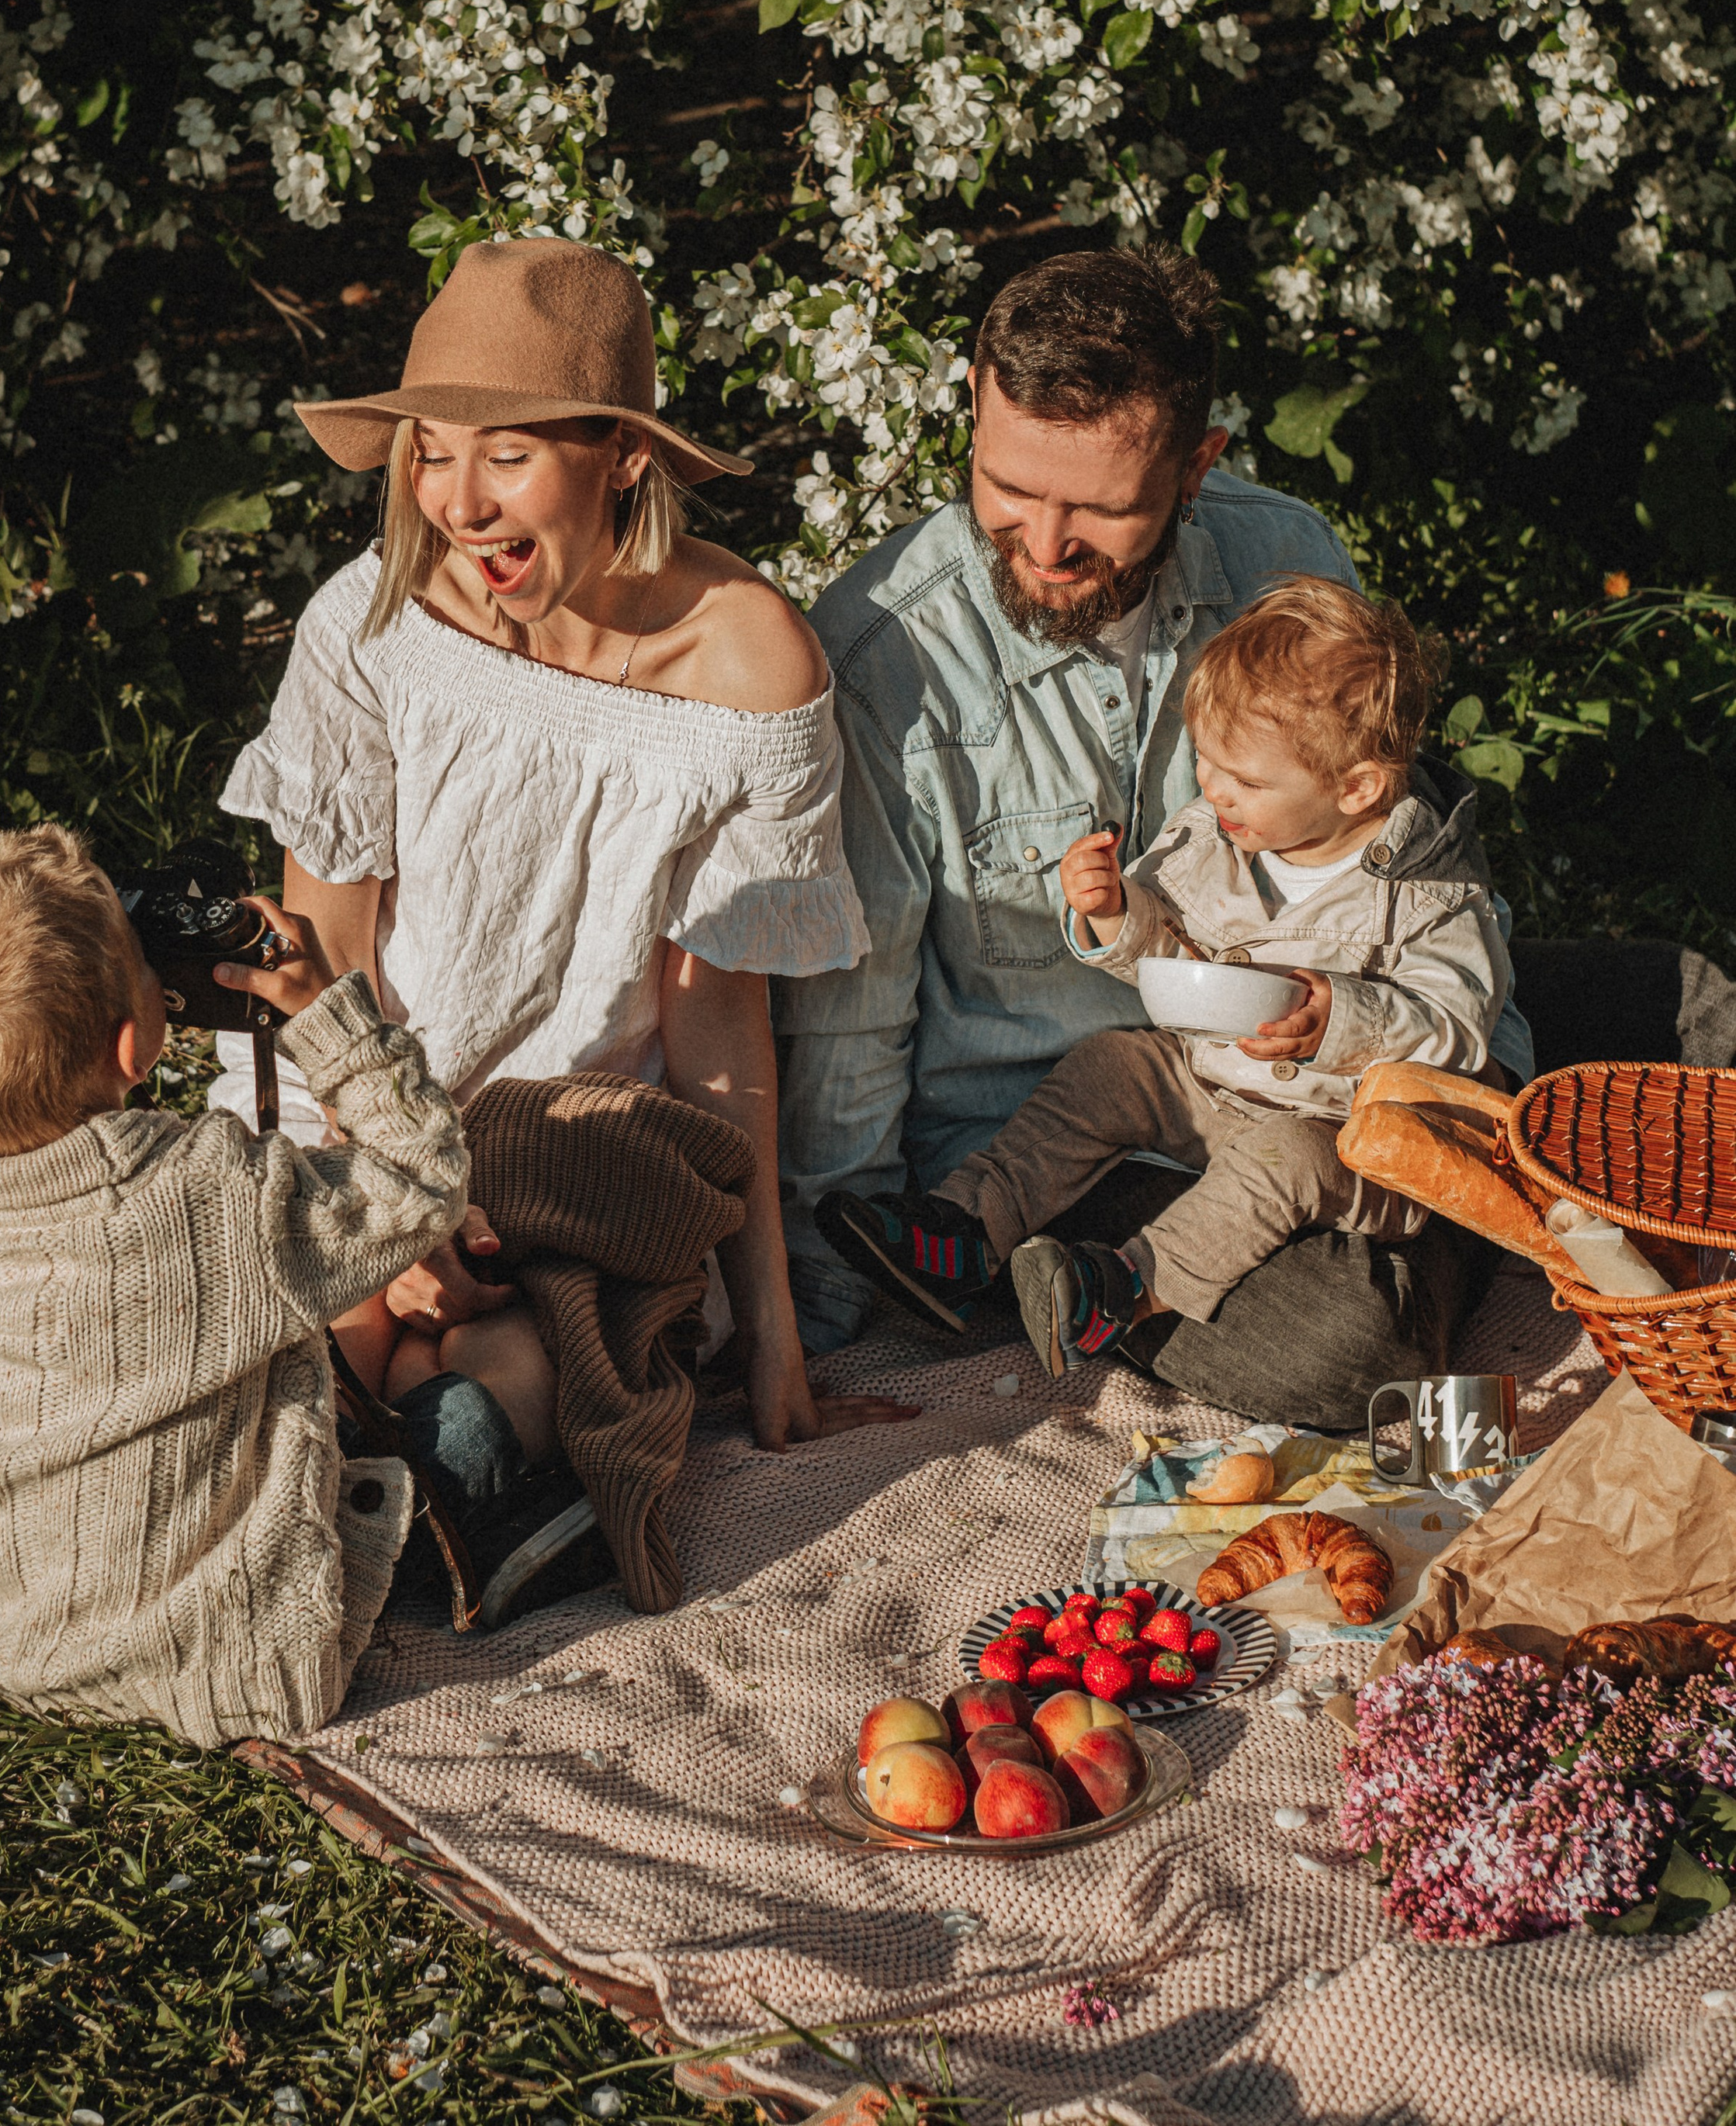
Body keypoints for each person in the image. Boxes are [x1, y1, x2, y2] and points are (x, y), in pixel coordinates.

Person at [775, 244, 1533, 1411]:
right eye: (1010, 489)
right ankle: (1435, 1239)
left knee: (1686, 1003)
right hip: (1077, 1134)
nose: (1043, 543)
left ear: (1197, 467)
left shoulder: (1289, 560)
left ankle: (1466, 1203)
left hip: (1336, 1069)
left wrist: (1457, 1082)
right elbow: (851, 1013)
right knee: (1352, 1348)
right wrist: (825, 1312)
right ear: (974, 405)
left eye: (1103, 508)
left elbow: (1406, 866)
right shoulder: (885, 659)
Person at [216, 237, 911, 1454]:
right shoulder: (373, 625)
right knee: (318, 1376)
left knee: (494, 1411)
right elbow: (326, 965)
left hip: (579, 1157)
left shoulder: (752, 668)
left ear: (625, 453)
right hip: (359, 1119)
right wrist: (396, 1214)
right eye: (429, 453)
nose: (460, 502)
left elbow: (717, 1021)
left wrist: (773, 1341)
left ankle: (456, 1448)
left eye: (510, 453)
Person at [0, 822, 556, 1747]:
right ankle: (456, 1453)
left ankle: (396, 1370)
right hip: (226, 1647)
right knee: (513, 1367)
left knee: (337, 1305)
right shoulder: (210, 1196)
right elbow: (424, 1175)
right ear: (132, 1048)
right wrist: (328, 1016)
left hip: (13, 1628)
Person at [819, 577, 1510, 1374]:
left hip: (1345, 1139)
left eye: (1246, 781)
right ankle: (962, 1234)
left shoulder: (1428, 891)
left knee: (1280, 1159)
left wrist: (1341, 1020)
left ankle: (1121, 1291)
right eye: (1207, 763)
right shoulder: (1215, 833)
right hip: (1214, 1086)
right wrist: (1114, 913)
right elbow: (1166, 941)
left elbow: (1458, 1029)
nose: (1215, 792)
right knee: (1112, 1066)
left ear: (1356, 787)